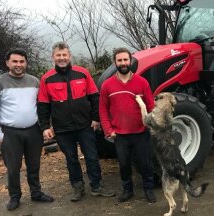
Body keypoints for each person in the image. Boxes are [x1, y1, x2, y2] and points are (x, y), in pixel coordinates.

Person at [37, 42, 114, 202]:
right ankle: (77, 187)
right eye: (58, 55)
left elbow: (94, 97)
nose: (62, 58)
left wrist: (96, 119)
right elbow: (43, 105)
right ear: (53, 57)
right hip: (62, 128)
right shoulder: (47, 79)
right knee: (71, 159)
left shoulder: (83, 73)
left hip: (85, 125)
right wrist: (45, 127)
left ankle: (96, 186)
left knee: (92, 156)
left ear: (69, 56)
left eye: (64, 55)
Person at [0, 48, 54, 211]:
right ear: (7, 63)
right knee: (13, 167)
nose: (18, 64)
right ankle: (15, 196)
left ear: (26, 63)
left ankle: (36, 193)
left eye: (22, 61)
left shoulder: (35, 82)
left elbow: (43, 106)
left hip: (33, 131)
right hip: (10, 133)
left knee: (34, 164)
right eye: (15, 61)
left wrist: (45, 126)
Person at [99, 47, 156, 203]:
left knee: (145, 163)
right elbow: (103, 110)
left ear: (130, 61)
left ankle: (149, 189)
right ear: (114, 62)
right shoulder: (107, 85)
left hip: (140, 131)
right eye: (120, 60)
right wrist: (108, 130)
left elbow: (150, 105)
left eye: (125, 59)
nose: (123, 63)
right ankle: (127, 190)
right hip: (120, 134)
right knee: (124, 165)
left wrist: (153, 125)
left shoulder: (142, 82)